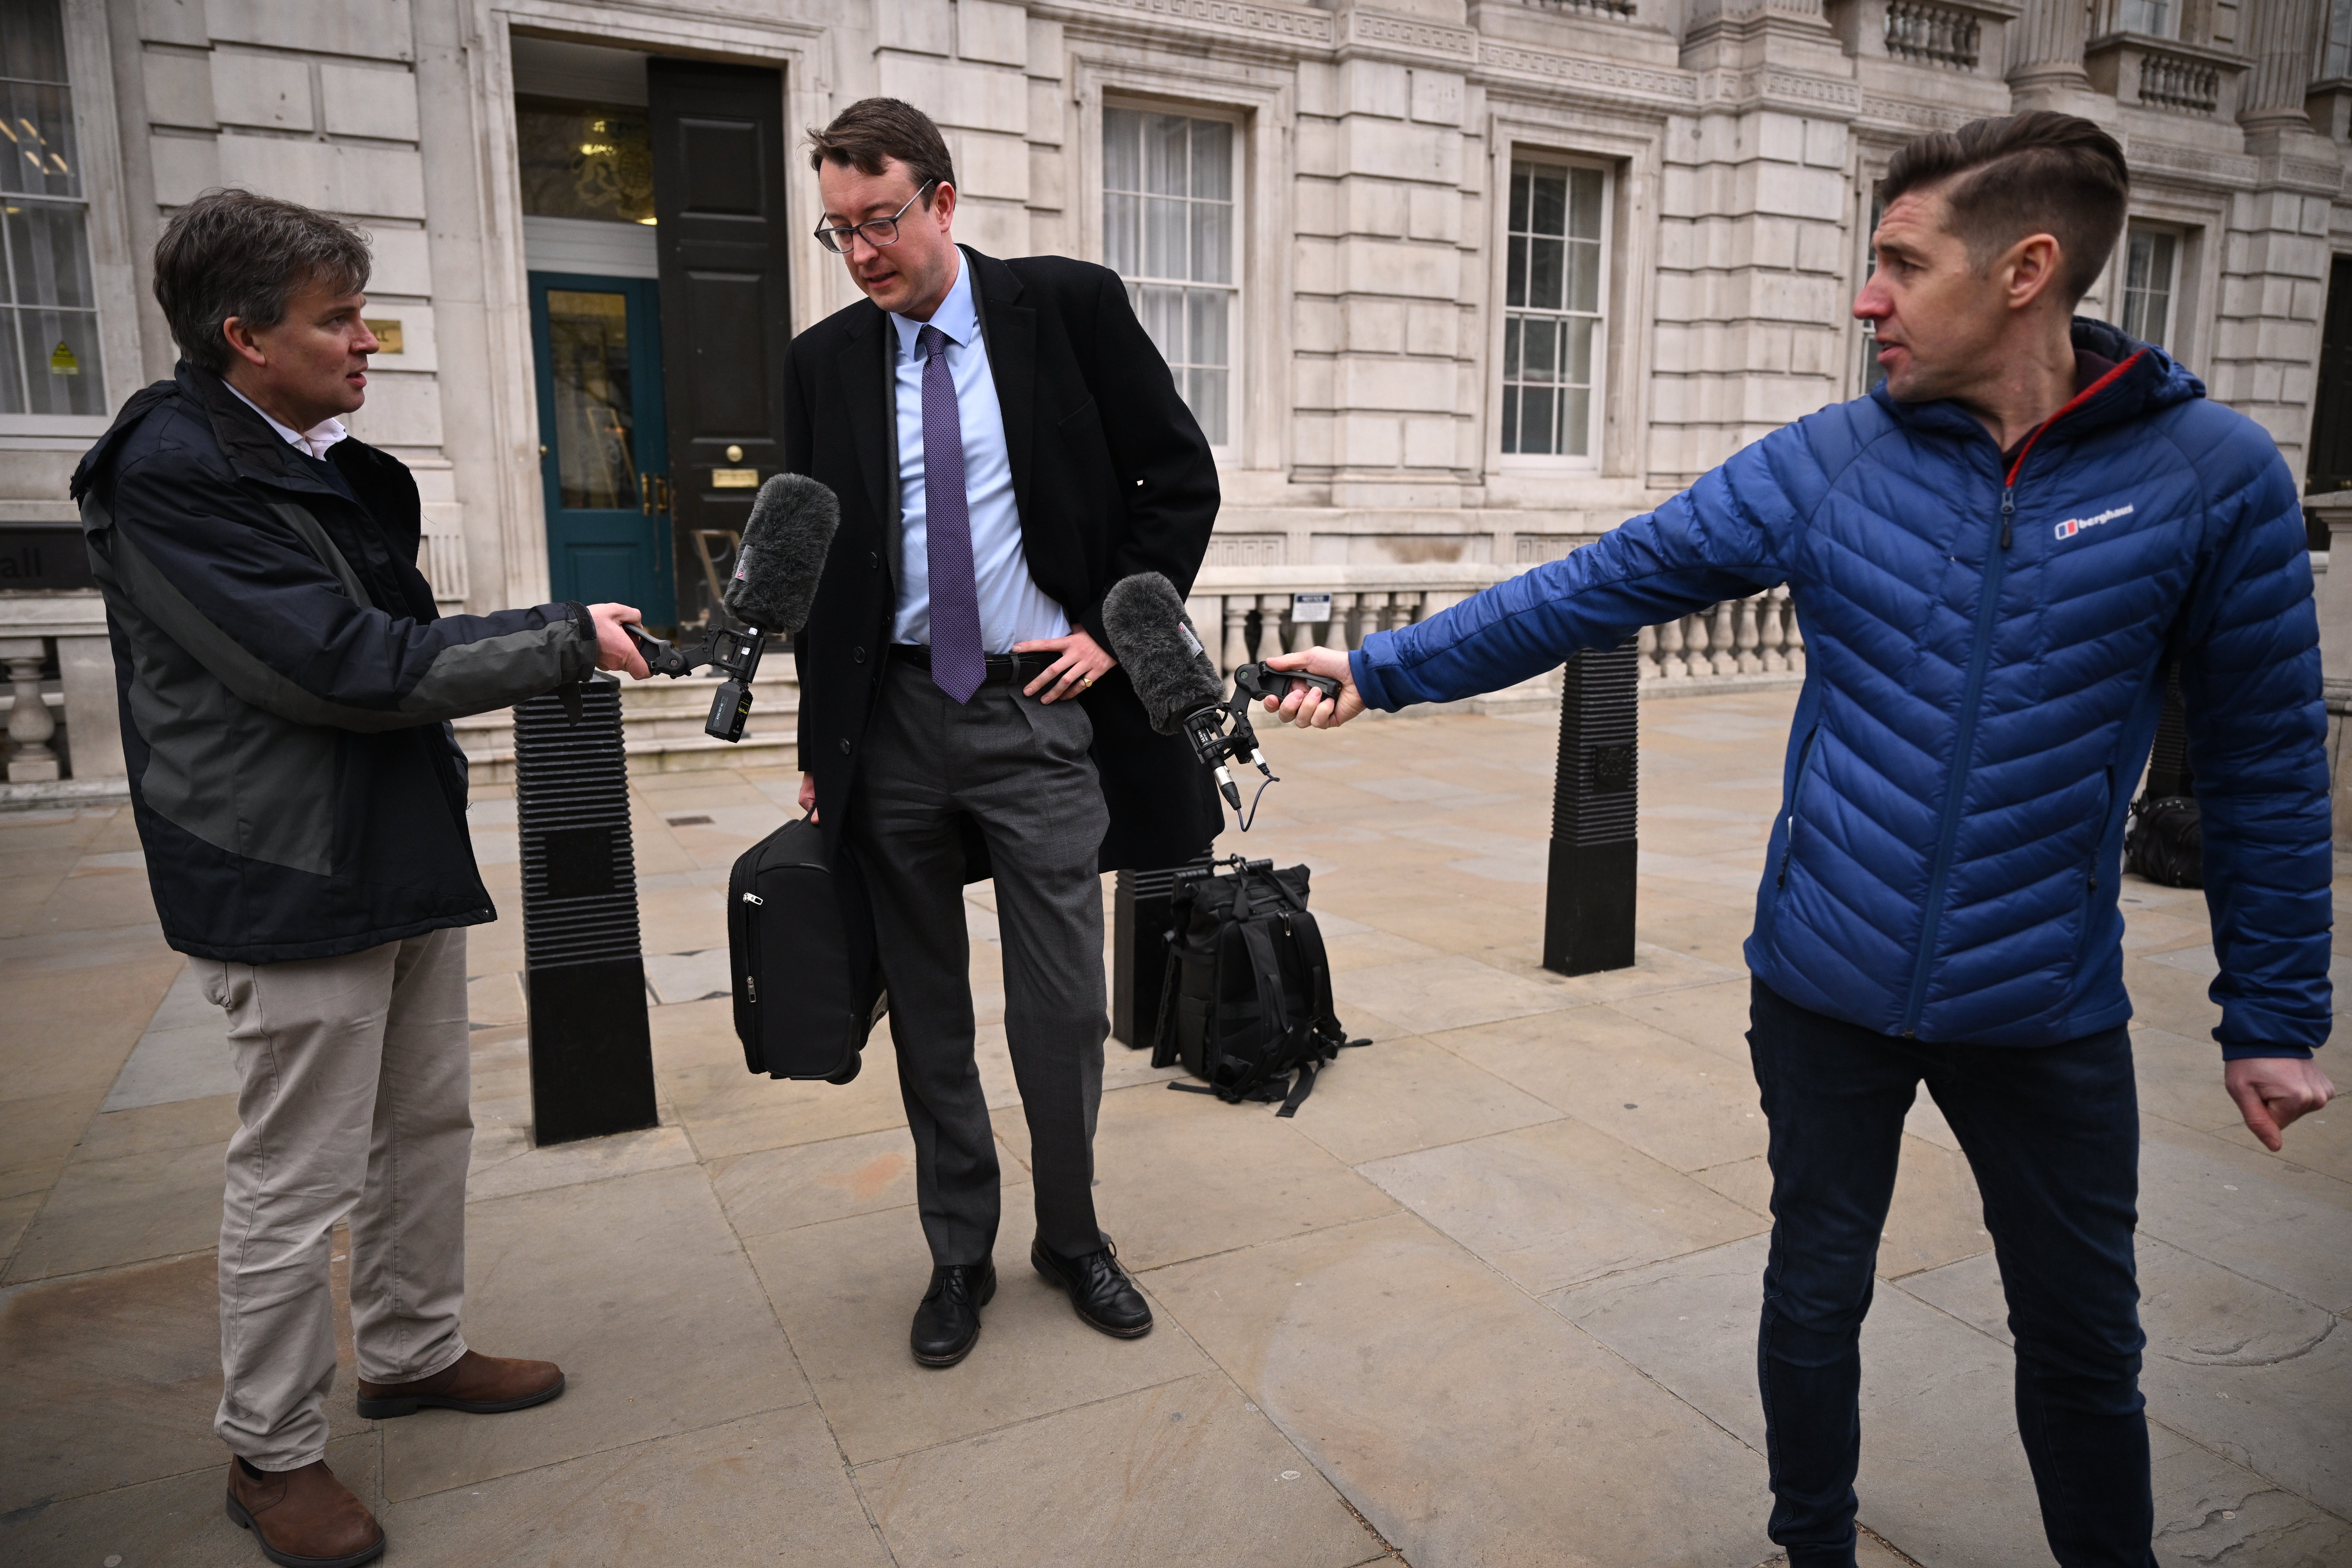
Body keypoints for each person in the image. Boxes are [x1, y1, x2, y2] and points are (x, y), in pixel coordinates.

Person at [1257, 112, 2335, 1567]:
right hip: (1825, 983)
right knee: (1815, 1292)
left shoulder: (2214, 477)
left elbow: (2269, 761)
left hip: (2045, 1007)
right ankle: (1810, 1543)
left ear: (2026, 271)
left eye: (1900, 262)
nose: (1865, 298)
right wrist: (1381, 669)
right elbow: (1604, 581)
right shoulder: (1833, 459)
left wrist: (2271, 1013)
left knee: (2085, 1344)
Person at [71, 188, 652, 1568]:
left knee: (426, 1128)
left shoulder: (330, 463)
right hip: (285, 868)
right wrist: (563, 639)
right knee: (296, 1176)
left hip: (393, 842)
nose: (365, 340)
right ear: (243, 338)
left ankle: (409, 1348)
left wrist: (547, 634)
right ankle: (270, 1453)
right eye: (336, 319)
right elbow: (334, 664)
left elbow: (391, 643)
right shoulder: (170, 471)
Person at [782, 99, 1221, 1367]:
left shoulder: (1066, 308)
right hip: (896, 717)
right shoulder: (823, 365)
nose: (864, 252)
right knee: (926, 1009)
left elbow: (1175, 479)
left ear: (945, 202)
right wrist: (821, 748)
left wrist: (1112, 630)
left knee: (1061, 1007)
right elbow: (813, 569)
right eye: (840, 229)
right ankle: (958, 1252)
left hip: (1040, 710)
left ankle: (1073, 1237)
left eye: (883, 221)